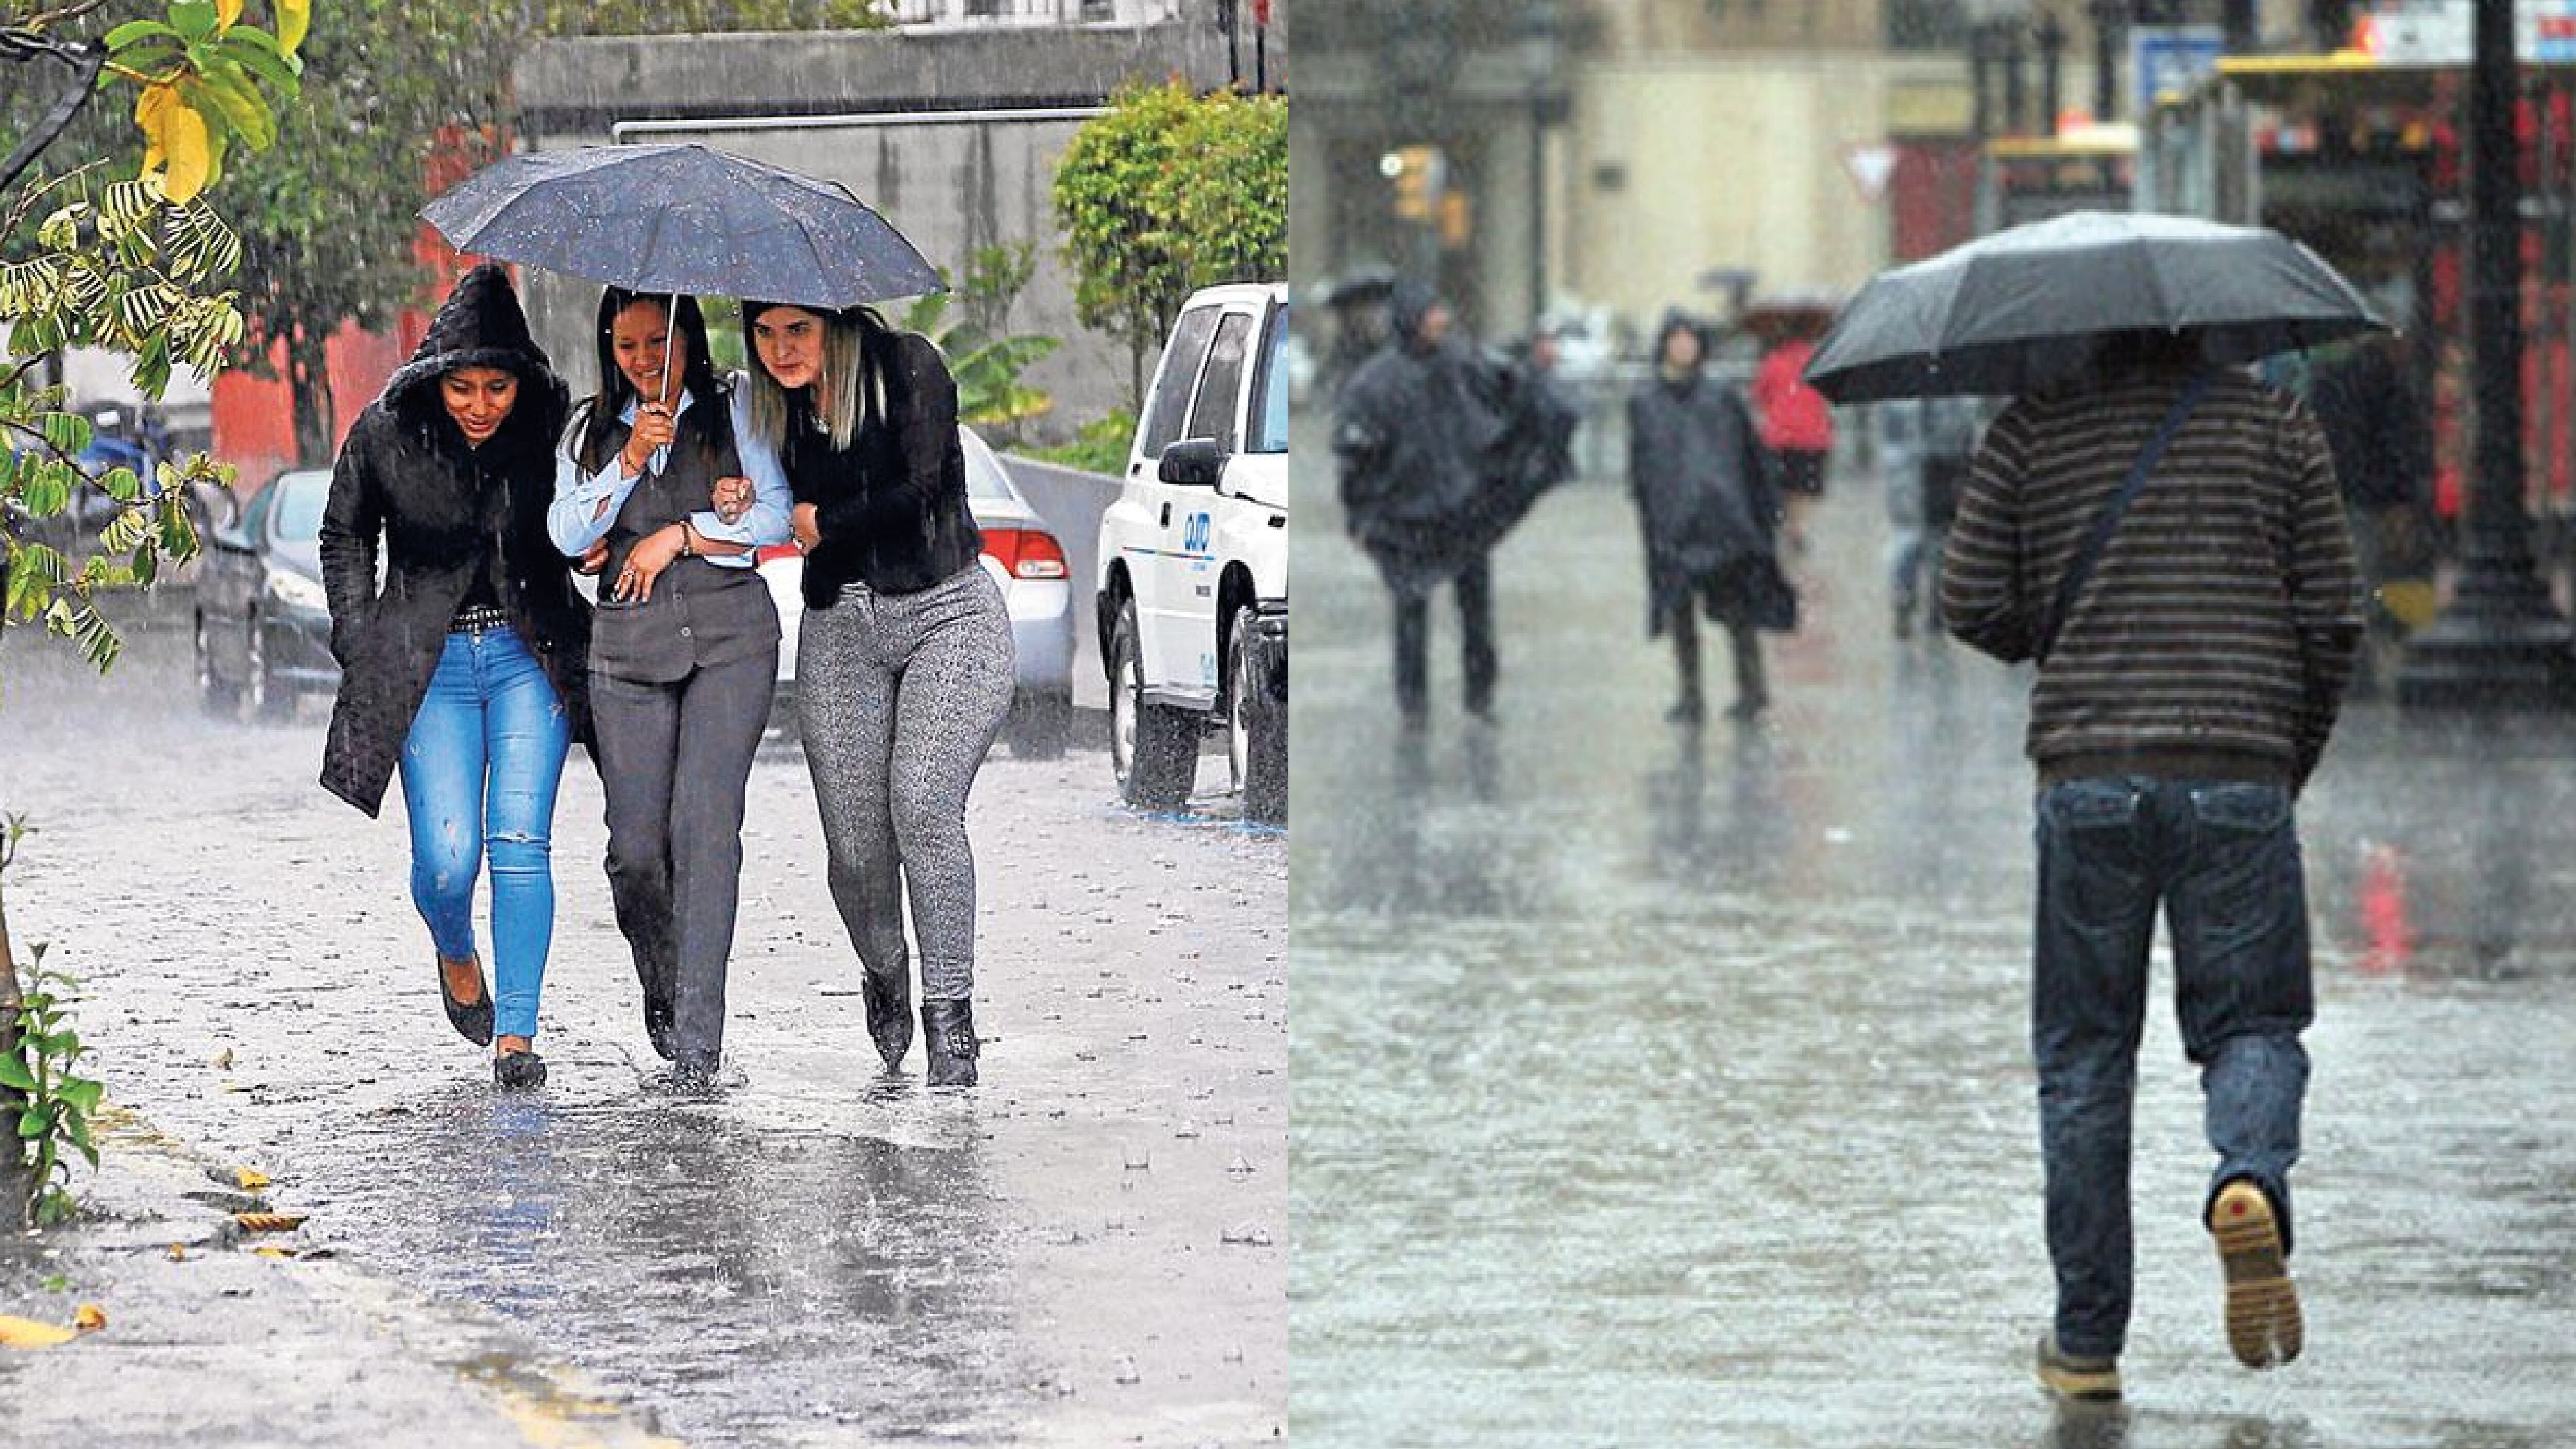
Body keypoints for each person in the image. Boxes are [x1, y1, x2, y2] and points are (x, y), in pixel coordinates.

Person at [1940, 331, 2362, 1402]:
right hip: (2238, 763)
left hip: (2087, 771)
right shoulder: (2275, 426)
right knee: (2253, 1020)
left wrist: (2072, 618)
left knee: (2085, 1055)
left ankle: (2086, 1342)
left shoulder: (2029, 427)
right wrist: (2281, 753)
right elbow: (2333, 614)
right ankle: (2246, 1176)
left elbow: (1969, 601)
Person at [318, 262, 590, 1090]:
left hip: (525, 659)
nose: (480, 405)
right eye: (464, 387)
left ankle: (517, 1036)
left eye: (498, 386)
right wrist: (362, 638)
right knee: (446, 860)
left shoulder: (553, 432)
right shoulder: (386, 431)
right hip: (425, 666)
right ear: (437, 378)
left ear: (523, 380)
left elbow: (590, 520)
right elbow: (344, 535)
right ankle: (455, 948)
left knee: (519, 841)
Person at [737, 299, 1014, 1088]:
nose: (781, 349)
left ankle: (950, 1015)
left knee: (922, 805)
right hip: (842, 624)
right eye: (765, 333)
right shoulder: (770, 410)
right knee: (857, 850)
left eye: (798, 330)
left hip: (948, 610)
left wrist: (827, 518)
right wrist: (737, 502)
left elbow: (923, 487)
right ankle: (885, 965)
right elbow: (759, 504)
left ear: (833, 322)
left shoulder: (908, 367)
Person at [550, 289, 792, 1089]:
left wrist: (687, 532)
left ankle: (699, 1047)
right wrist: (625, 466)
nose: (645, 360)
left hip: (731, 643)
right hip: (626, 656)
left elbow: (776, 518)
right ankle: (664, 980)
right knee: (636, 853)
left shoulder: (736, 411)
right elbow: (566, 535)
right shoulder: (589, 431)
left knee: (706, 828)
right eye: (627, 346)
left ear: (689, 338)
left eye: (660, 342)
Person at [1332, 281, 1509, 729]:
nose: (1441, 323)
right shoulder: (1378, 383)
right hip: (1408, 519)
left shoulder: (1463, 367)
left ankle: (1480, 696)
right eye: (1432, 314)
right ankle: (1413, 704)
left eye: (1442, 314)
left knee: (1477, 613)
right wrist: (1361, 515)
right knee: (1410, 614)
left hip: (1465, 514)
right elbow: (1355, 456)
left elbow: (1497, 421)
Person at [1625, 312, 1789, 724]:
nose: (1684, 347)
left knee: (1738, 612)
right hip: (1674, 523)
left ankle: (1752, 691)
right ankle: (1690, 694)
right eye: (1677, 339)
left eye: (1690, 339)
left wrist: (1758, 509)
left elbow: (1749, 456)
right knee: (1681, 613)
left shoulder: (1721, 398)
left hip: (1723, 520)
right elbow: (1643, 464)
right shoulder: (1646, 402)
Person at [1877, 395, 1980, 641]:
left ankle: (1907, 596)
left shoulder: (1898, 397)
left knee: (1911, 540)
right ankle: (1934, 606)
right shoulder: (1961, 395)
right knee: (1940, 542)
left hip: (1912, 475)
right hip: (1944, 472)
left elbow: (1891, 438)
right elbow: (1966, 437)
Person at [1750, 329, 1834, 553]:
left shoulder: (1773, 362)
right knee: (1805, 488)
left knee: (1783, 485)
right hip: (1813, 435)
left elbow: (1759, 395)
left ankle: (1787, 525)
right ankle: (1800, 528)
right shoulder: (1819, 360)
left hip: (1780, 436)